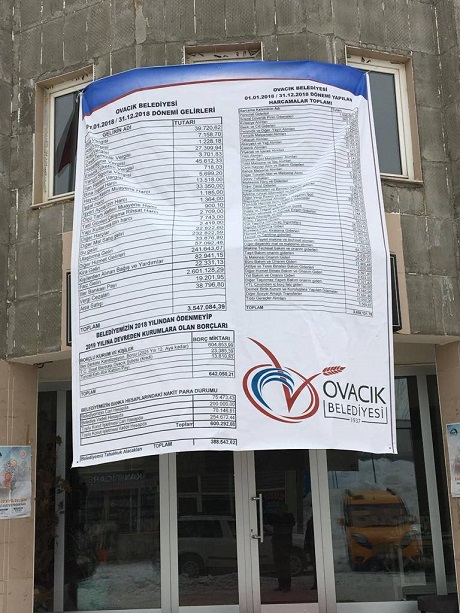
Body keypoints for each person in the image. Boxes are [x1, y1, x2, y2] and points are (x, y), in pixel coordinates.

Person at [270, 502, 295, 592]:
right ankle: (281, 584)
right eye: (279, 508)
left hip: (285, 544)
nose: (280, 510)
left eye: (282, 508)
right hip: (277, 544)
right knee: (278, 565)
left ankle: (287, 585)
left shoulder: (288, 517)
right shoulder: (275, 517)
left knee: (285, 565)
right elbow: (271, 523)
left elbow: (288, 526)